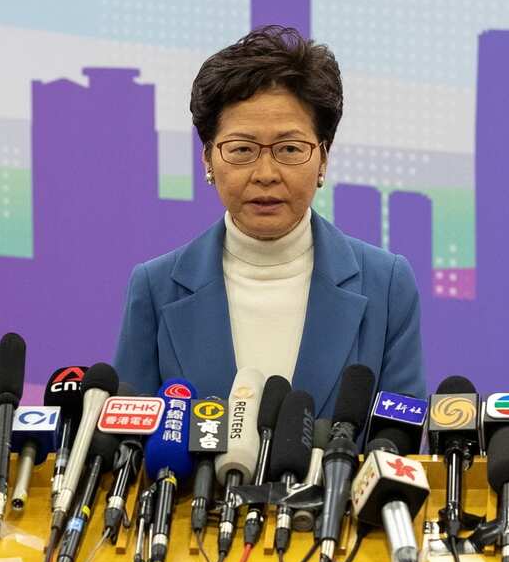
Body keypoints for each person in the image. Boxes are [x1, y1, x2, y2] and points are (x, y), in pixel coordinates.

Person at [113, 26, 425, 415]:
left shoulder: (386, 284)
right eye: (242, 149)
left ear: (323, 158)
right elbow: (125, 448)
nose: (265, 172)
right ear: (208, 158)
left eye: (289, 149)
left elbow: (399, 441)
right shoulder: (157, 289)